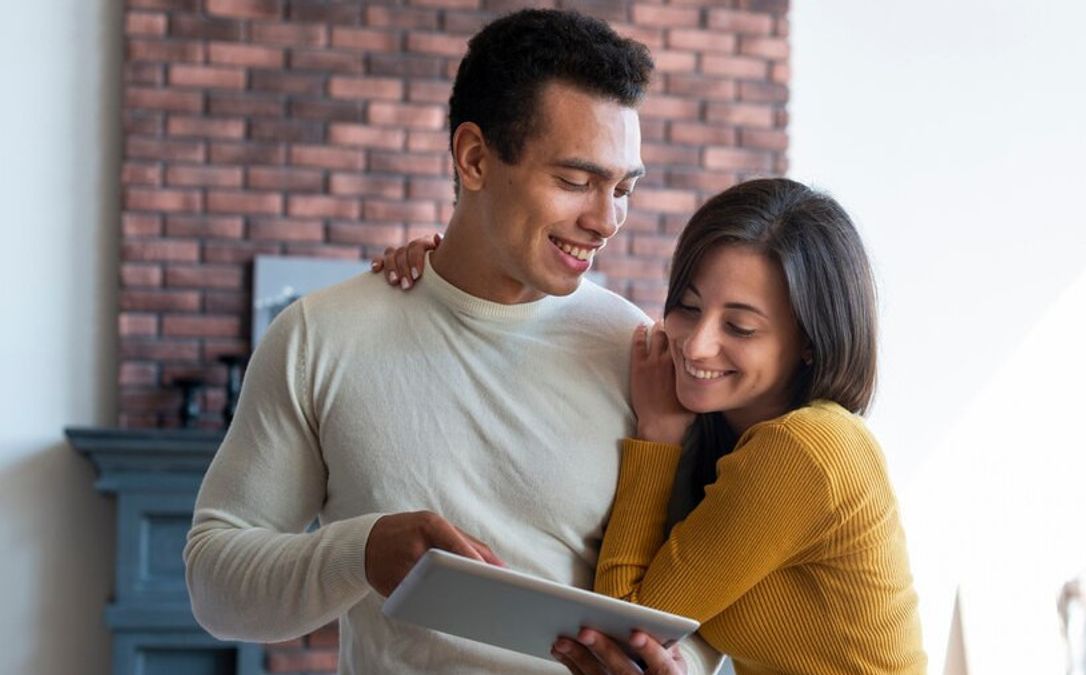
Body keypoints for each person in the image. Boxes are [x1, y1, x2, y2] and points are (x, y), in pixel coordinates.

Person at [184, 9, 721, 675]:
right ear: (474, 158)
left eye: (623, 188)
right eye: (576, 181)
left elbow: (710, 608)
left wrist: (679, 667)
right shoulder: (319, 337)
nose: (606, 219)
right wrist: (359, 551)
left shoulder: (643, 357)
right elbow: (215, 583)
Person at [379, 178, 928, 673]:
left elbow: (628, 627)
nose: (696, 343)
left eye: (739, 326)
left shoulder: (805, 449)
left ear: (810, 341)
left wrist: (658, 437)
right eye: (688, 308)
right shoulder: (730, 433)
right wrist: (445, 272)